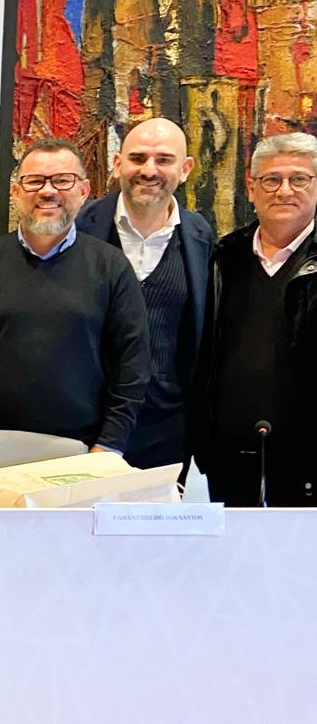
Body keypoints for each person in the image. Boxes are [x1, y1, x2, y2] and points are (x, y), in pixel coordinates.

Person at [0, 137, 150, 453]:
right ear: (15, 192)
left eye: (62, 180)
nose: (47, 191)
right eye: (35, 181)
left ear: (83, 191)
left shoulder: (111, 266)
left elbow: (132, 364)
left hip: (84, 450)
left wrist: (108, 445)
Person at [76, 117, 213, 468]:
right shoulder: (78, 229)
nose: (149, 170)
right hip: (82, 425)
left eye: (164, 160)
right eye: (138, 158)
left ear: (185, 169)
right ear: (118, 164)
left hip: (166, 433)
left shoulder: (201, 238)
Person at [192, 132, 317, 507]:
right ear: (251, 188)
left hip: (309, 457)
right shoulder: (222, 258)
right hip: (229, 457)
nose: (284, 191)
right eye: (271, 180)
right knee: (232, 563)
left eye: (299, 179)